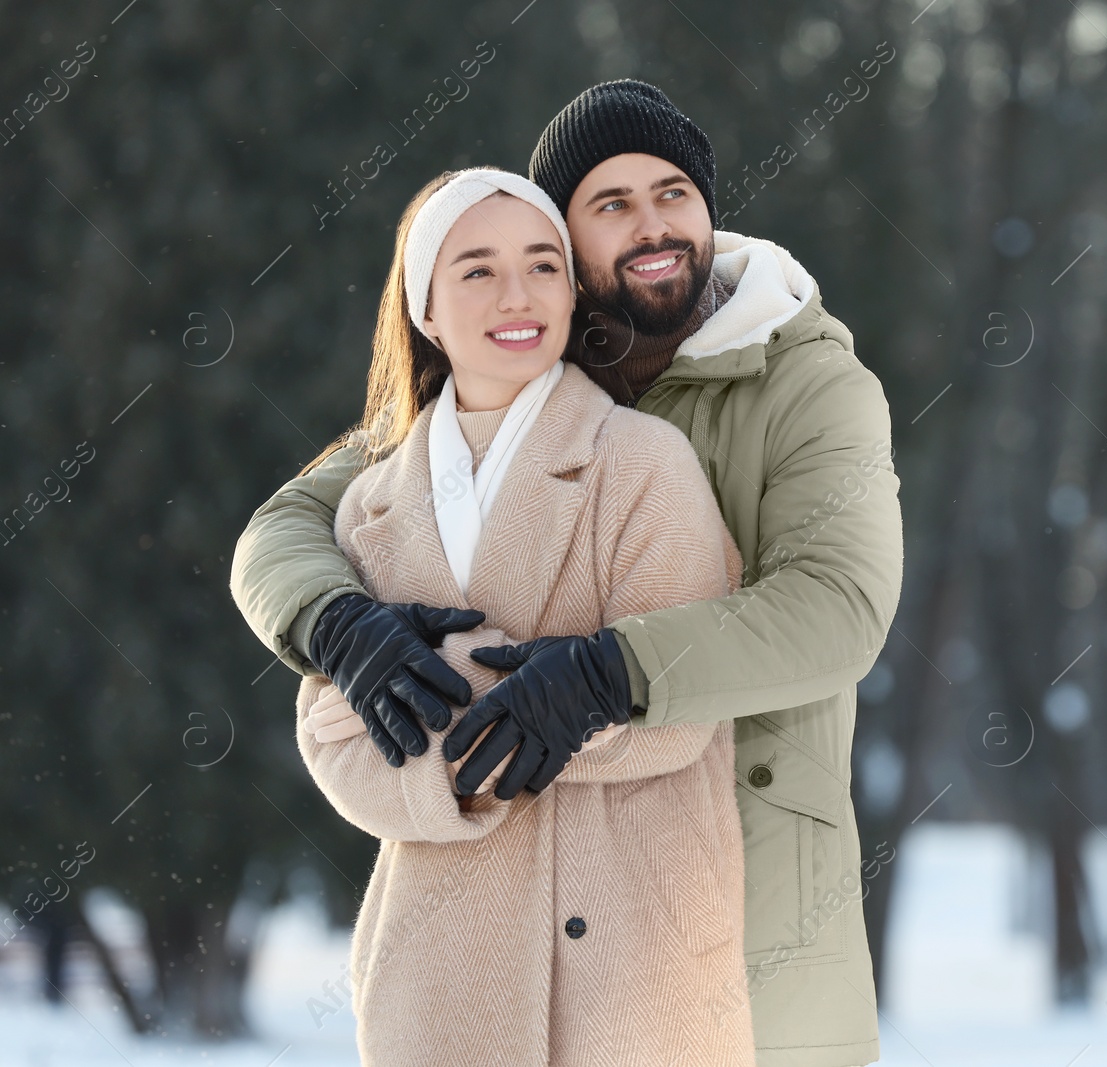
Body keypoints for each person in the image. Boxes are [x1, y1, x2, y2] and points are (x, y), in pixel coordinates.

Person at [231, 80, 902, 1067]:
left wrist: (605, 676)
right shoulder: (517, 370)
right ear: (571, 247)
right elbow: (289, 520)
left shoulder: (804, 382)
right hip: (520, 914)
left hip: (757, 886)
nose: (652, 224)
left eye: (672, 192)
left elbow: (835, 609)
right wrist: (334, 624)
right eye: (611, 204)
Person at [281, 166, 756, 1065]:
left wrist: (466, 697)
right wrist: (522, 698)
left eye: (544, 265)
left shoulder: (646, 464)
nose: (518, 294)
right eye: (477, 270)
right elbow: (333, 739)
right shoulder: (369, 505)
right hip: (434, 975)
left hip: (634, 964)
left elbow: (684, 707)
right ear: (425, 306)